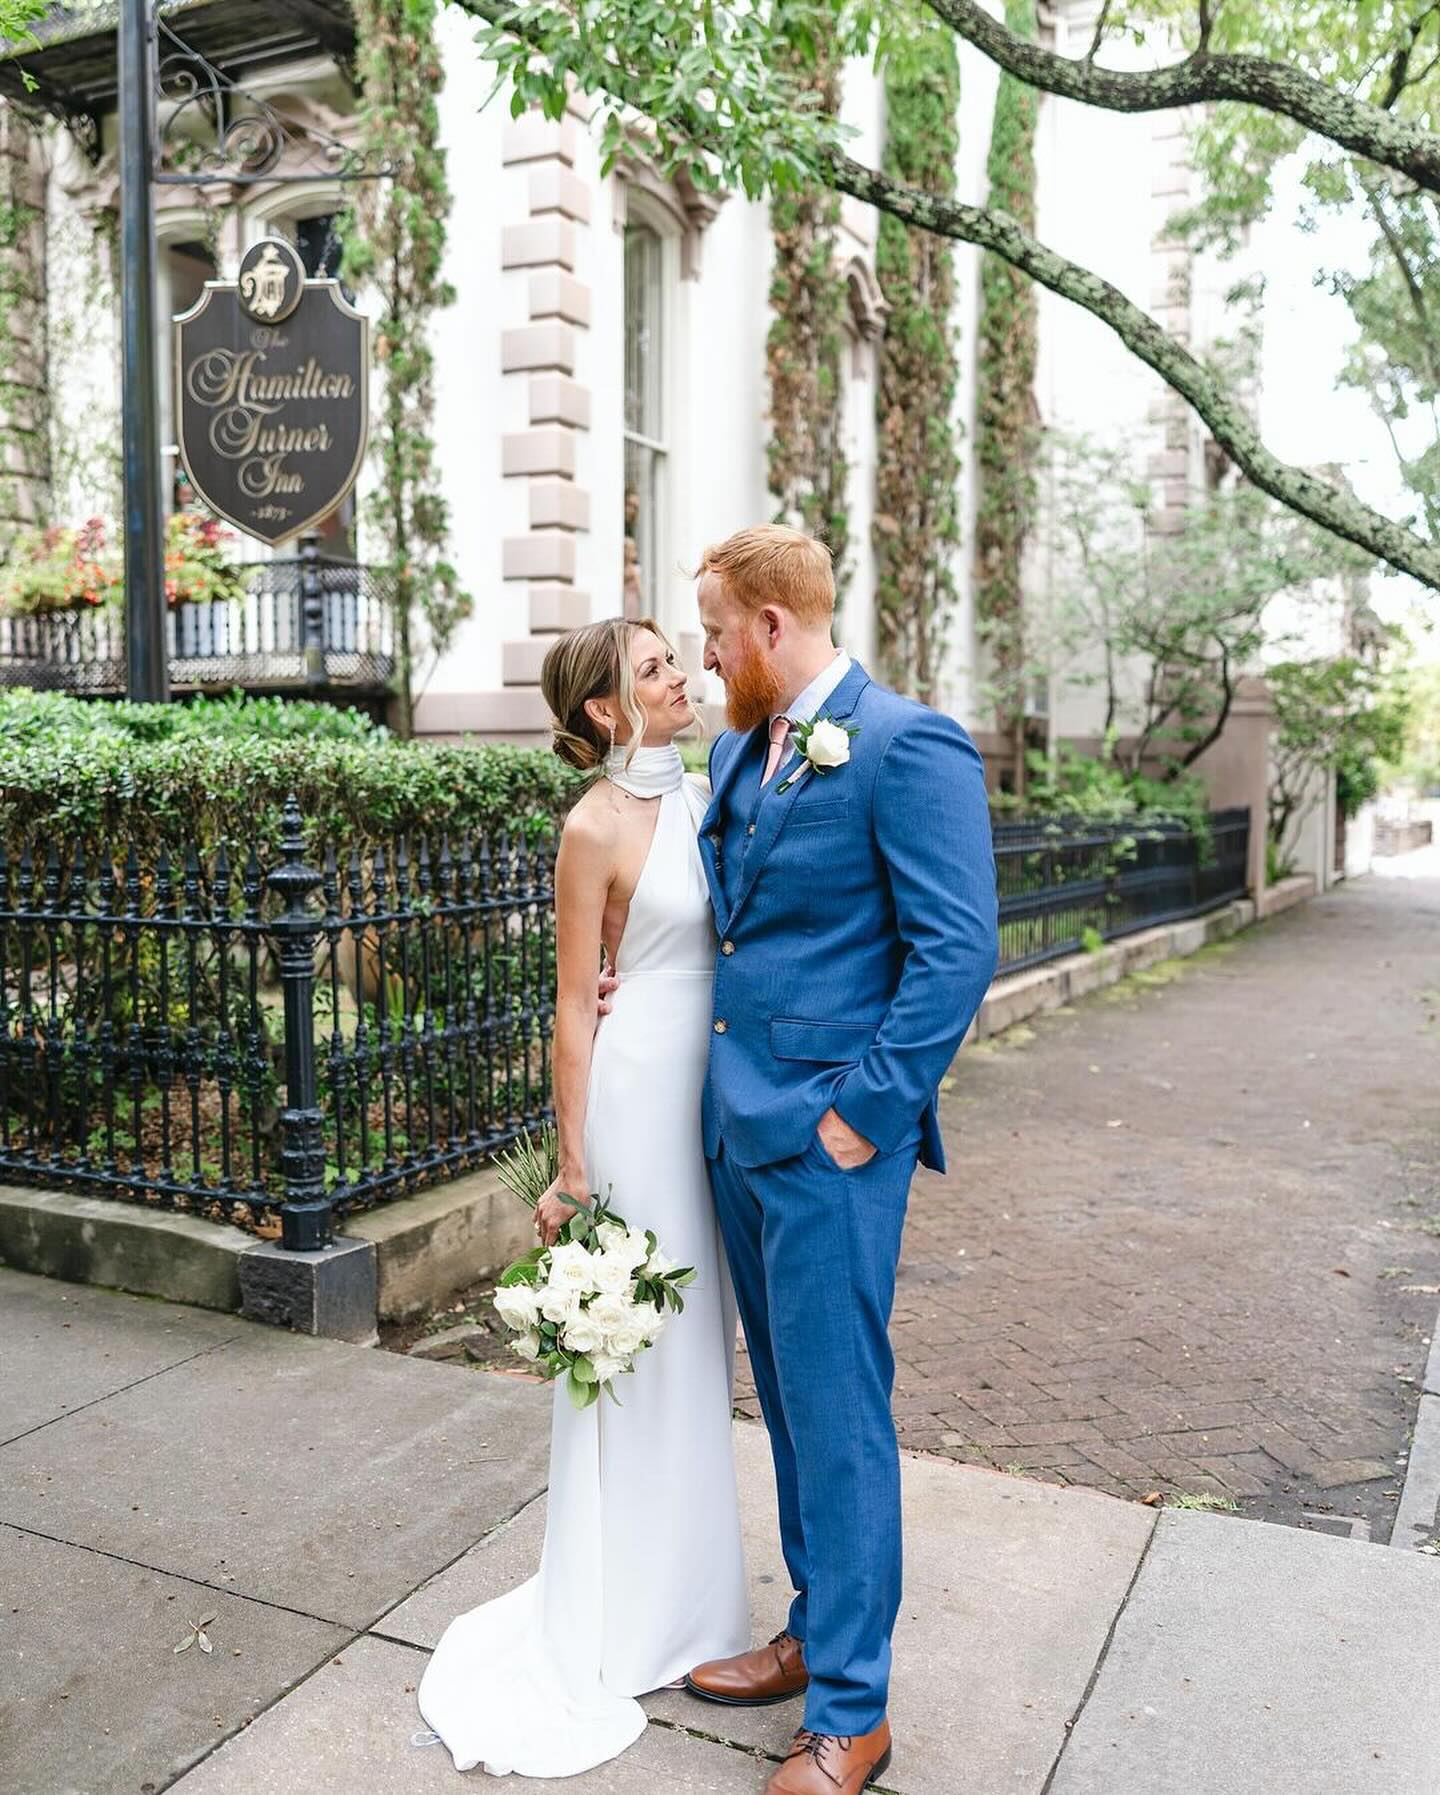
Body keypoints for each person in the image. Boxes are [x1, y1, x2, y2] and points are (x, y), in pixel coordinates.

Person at [680, 524, 998, 1795]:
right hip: (734, 1130)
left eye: (713, 632)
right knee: (792, 1410)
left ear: (771, 625)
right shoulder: (731, 749)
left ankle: (855, 1714)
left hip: (826, 1145)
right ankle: (816, 1635)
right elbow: (736, 926)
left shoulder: (907, 745)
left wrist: (861, 1114)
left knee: (842, 1414)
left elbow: (955, 953)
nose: (704, 656)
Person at [415, 616, 750, 1778]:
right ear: (609, 709)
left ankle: (697, 1600)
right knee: (642, 1343)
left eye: (675, 658)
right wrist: (572, 1164)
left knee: (700, 1343)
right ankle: (624, 1610)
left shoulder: (717, 790)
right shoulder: (592, 826)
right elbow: (570, 1003)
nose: (681, 675)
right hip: (639, 1091)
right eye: (656, 668)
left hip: (718, 1084)